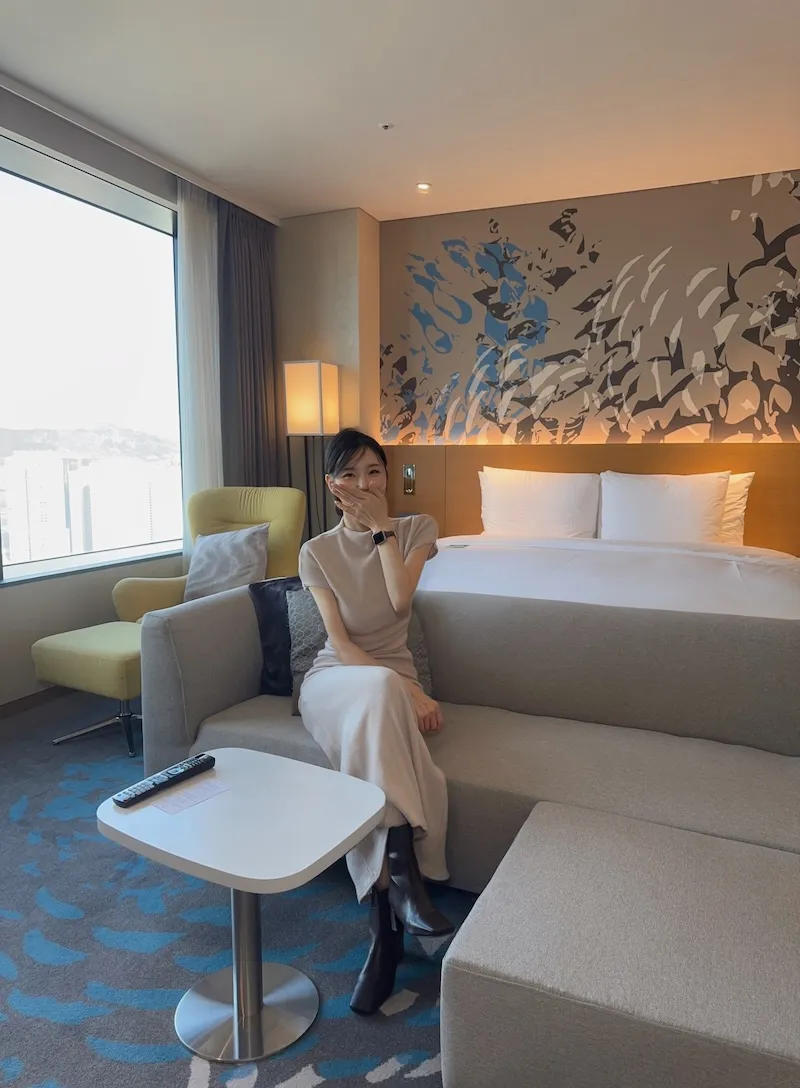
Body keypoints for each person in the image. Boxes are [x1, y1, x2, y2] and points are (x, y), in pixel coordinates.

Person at [298, 427, 453, 1016]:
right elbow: (340, 643)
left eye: (374, 473)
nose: (364, 485)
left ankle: (384, 926)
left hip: (387, 682)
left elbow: (398, 602)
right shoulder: (316, 551)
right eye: (350, 474)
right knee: (382, 688)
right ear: (331, 485)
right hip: (335, 679)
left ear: (388, 478)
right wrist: (408, 690)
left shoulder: (417, 529)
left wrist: (382, 528)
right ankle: (406, 883)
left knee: (384, 690)